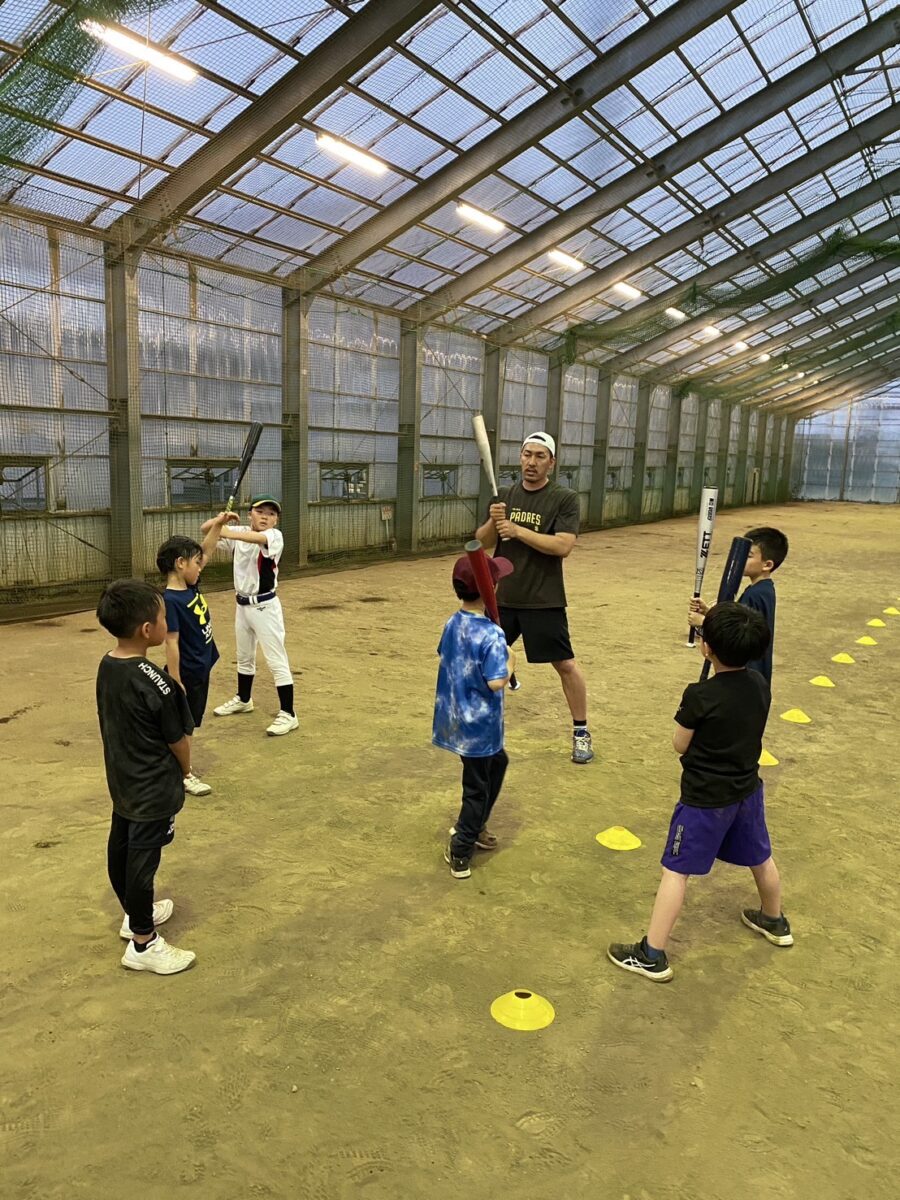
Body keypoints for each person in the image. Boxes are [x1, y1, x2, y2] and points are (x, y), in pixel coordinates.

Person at [608, 602, 793, 983]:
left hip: (704, 799)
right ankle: (773, 919)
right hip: (747, 790)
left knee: (675, 871)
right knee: (761, 857)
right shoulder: (760, 684)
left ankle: (651, 954)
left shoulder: (700, 695)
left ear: (707, 648)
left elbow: (680, 744)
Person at [96, 579, 197, 975]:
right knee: (142, 861)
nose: (165, 623)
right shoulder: (158, 683)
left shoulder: (108, 665)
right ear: (146, 630)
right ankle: (143, 943)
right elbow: (178, 739)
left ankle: (134, 913)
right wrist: (186, 770)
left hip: (123, 779)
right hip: (153, 786)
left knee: (121, 848)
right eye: (162, 618)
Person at [474, 431, 593, 764]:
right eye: (527, 454)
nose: (532, 462)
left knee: (565, 664)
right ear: (520, 458)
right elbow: (481, 542)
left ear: (551, 463)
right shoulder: (505, 495)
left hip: (544, 598)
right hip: (503, 597)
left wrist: (518, 530)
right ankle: (478, 727)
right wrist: (494, 520)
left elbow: (563, 546)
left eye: (540, 456)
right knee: (481, 663)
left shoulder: (564, 498)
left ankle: (581, 732)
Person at [433, 554, 516, 879]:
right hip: (479, 726)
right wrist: (510, 662)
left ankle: (475, 824)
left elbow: (445, 652)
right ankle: (461, 848)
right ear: (488, 589)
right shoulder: (491, 634)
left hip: (455, 717)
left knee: (498, 764)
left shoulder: (452, 622)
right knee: (477, 788)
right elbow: (496, 682)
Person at [156, 514, 236, 795]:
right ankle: (185, 774)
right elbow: (171, 642)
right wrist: (176, 679)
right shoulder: (171, 600)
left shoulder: (189, 586)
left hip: (200, 666)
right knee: (185, 726)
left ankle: (177, 768)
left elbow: (207, 550)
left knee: (189, 723)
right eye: (195, 563)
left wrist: (219, 524)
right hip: (188, 672)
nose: (201, 567)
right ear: (180, 563)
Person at [208, 495, 298, 737]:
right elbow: (206, 529)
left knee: (276, 659)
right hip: (242, 605)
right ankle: (244, 699)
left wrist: (225, 530)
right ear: (250, 514)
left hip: (265, 607)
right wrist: (220, 520)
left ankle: (289, 714)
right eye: (260, 512)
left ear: (276, 520)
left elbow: (253, 538)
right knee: (244, 656)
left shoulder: (274, 536)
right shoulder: (239, 532)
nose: (265, 517)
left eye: (271, 514)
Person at [689, 526, 788, 685]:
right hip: (752, 675)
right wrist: (709, 613)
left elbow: (735, 634)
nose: (740, 560)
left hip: (745, 674)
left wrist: (703, 622)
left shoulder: (755, 595)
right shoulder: (763, 590)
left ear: (767, 565)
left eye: (748, 556)